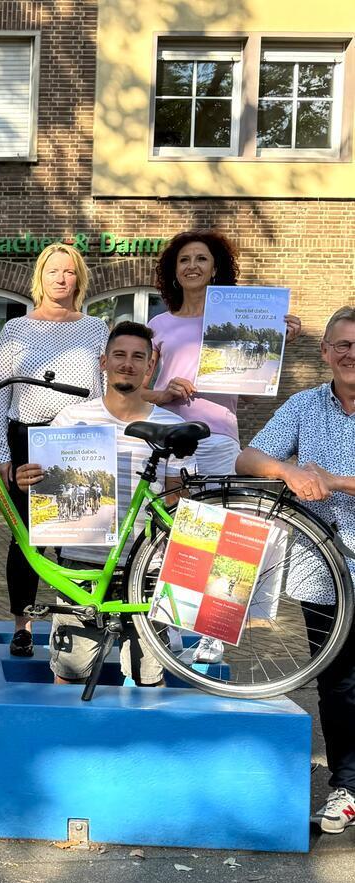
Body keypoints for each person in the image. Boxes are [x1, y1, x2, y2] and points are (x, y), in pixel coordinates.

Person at [142, 230, 303, 664]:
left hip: (217, 436)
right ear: (173, 271)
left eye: (201, 259)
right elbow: (142, 391)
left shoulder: (237, 318)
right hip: (169, 437)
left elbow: (246, 393)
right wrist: (167, 393)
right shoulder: (159, 325)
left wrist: (274, 340)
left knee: (221, 536)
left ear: (216, 269)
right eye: (184, 260)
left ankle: (213, 632)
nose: (192, 266)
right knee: (171, 533)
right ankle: (170, 628)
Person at [13, 322, 194, 687]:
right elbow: (48, 491)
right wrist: (28, 482)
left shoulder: (172, 427)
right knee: (69, 676)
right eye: (120, 355)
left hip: (147, 570)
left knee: (150, 682)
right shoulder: (70, 419)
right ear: (103, 362)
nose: (128, 363)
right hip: (82, 565)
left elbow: (180, 505)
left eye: (138, 357)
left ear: (150, 367)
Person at [237, 306, 355, 835]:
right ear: (325, 352)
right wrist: (284, 468)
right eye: (341, 345)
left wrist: (333, 480)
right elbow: (248, 457)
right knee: (338, 682)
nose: (350, 354)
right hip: (322, 570)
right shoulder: (305, 406)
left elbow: (332, 480)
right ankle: (347, 787)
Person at [0, 243, 108, 658]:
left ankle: (76, 622)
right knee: (27, 539)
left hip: (81, 442)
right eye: (53, 270)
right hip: (29, 440)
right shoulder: (16, 330)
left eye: (69, 271)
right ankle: (23, 624)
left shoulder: (96, 329)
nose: (61, 278)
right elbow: (1, 396)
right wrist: (3, 456)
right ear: (40, 277)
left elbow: (106, 392)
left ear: (79, 278)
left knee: (78, 538)